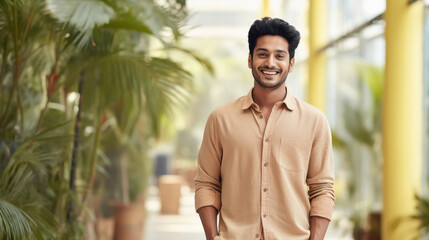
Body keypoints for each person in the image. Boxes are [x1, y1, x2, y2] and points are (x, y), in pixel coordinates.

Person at [194, 17, 335, 240]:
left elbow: (322, 189)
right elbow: (206, 184)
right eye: (262, 54)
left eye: (279, 56)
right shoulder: (220, 119)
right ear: (250, 60)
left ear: (291, 63)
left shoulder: (315, 121)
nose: (270, 62)